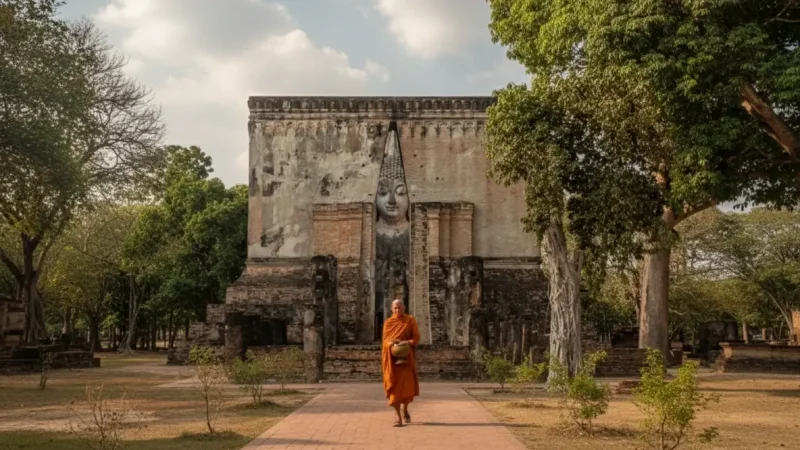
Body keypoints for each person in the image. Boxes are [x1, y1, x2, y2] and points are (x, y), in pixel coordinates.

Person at [381, 298, 420, 427]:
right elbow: (385, 341)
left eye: (400, 308)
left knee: (407, 388)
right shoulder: (388, 323)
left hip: (406, 360)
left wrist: (407, 342)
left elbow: (416, 337)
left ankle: (405, 409)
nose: (398, 310)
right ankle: (398, 417)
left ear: (404, 308)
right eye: (395, 308)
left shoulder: (410, 320)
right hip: (393, 361)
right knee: (394, 388)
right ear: (392, 309)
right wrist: (391, 343)